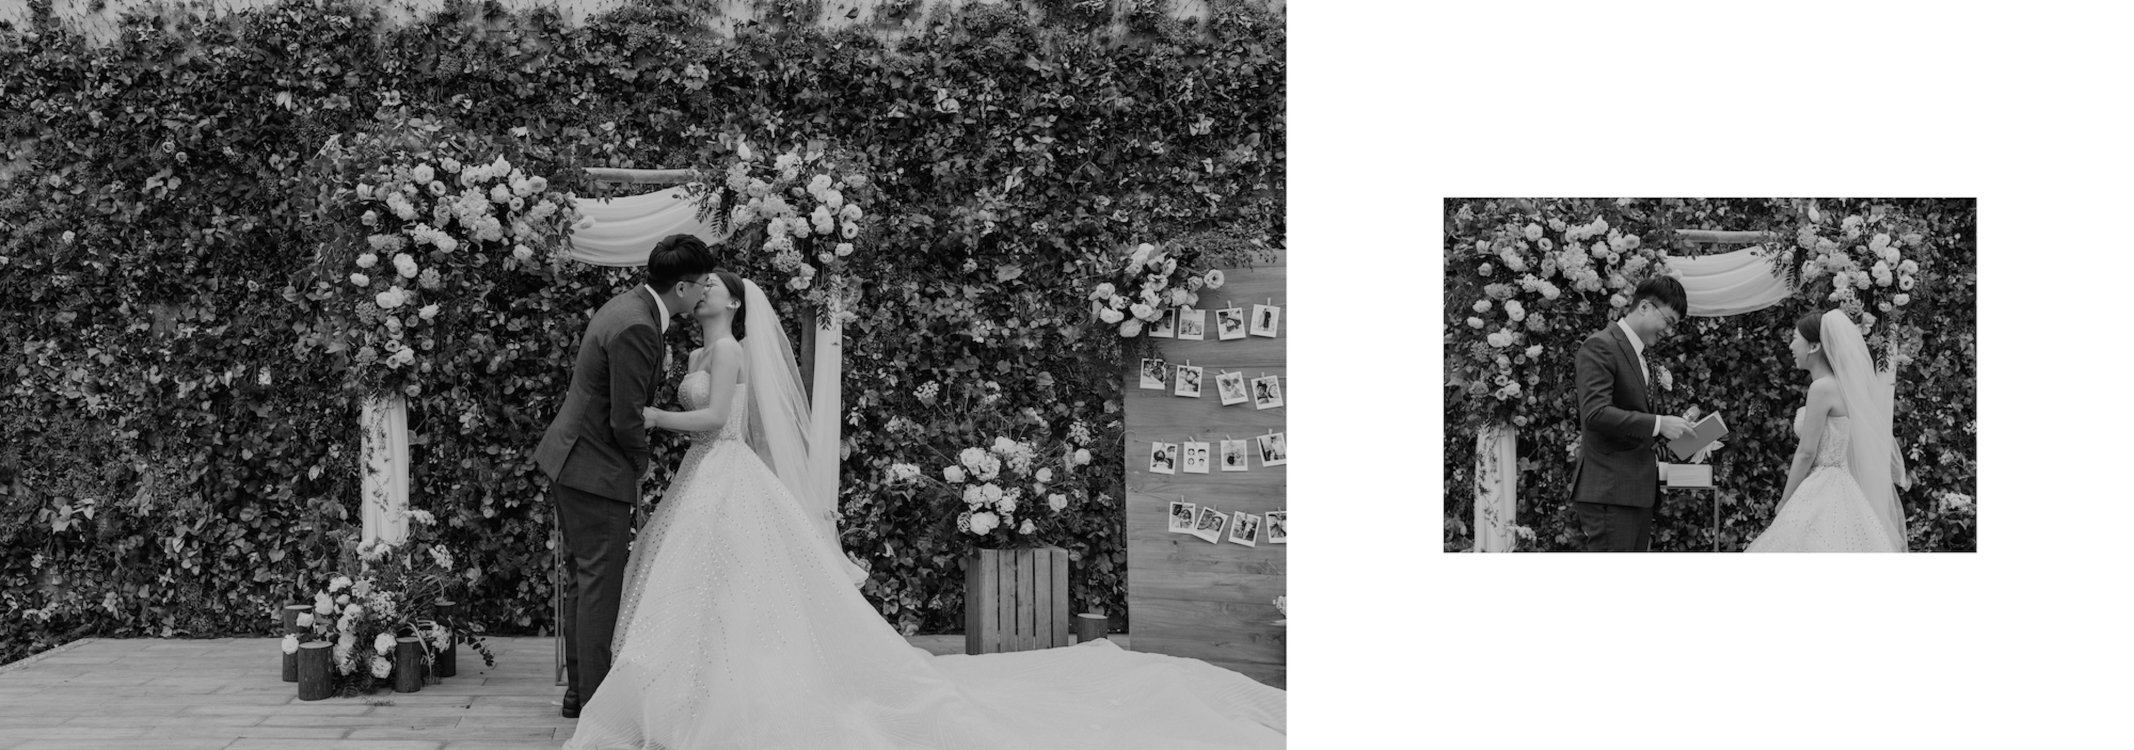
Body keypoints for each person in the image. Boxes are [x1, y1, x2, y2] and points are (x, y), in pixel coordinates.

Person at [562, 275, 1285, 749]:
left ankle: (724, 692)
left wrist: (652, 418)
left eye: (716, 287)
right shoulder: (693, 351)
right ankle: (687, 686)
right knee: (703, 587)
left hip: (723, 472)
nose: (705, 292)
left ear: (733, 304)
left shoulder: (729, 355)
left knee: (735, 584)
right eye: (704, 285)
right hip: (701, 477)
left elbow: (723, 420)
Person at [535, 234, 716, 717]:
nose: (705, 292)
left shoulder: (630, 306)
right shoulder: (638, 326)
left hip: (573, 460)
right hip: (592, 468)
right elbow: (625, 417)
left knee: (586, 579)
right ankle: (596, 703)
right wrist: (640, 462)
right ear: (682, 287)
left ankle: (580, 694)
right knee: (599, 583)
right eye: (702, 284)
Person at [1745, 310, 1909, 552]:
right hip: (1844, 485)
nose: (1791, 346)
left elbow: (1806, 452)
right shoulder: (1844, 387)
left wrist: (1785, 500)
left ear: (1814, 346)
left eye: (1795, 338)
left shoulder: (1821, 388)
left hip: (1822, 484)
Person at [1567, 275, 1692, 552]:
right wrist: (1658, 423)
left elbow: (1635, 424)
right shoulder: (1601, 345)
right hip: (1611, 492)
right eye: (1668, 321)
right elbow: (1596, 413)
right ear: (1645, 307)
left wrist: (1676, 431)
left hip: (1636, 492)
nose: (1669, 332)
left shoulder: (1642, 356)